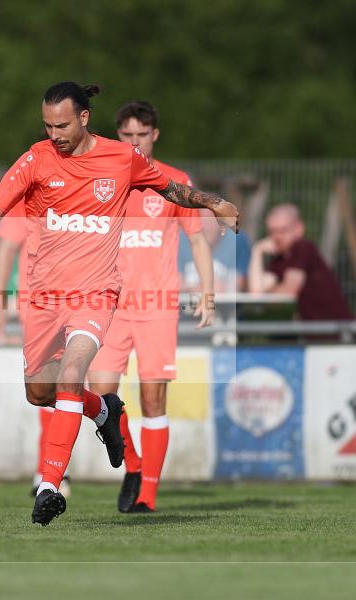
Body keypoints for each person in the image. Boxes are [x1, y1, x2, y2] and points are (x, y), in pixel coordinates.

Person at [0, 81, 238, 526]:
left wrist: (214, 203)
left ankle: (49, 487)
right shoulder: (37, 158)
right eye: (47, 125)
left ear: (83, 118)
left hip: (96, 293)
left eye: (61, 124)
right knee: (39, 392)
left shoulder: (121, 159)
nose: (54, 133)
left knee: (71, 373)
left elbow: (170, 189)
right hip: (44, 296)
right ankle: (104, 411)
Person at [87, 100, 216, 514]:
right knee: (100, 393)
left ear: (154, 135)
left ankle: (147, 497)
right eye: (126, 135)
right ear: (117, 136)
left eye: (142, 134)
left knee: (153, 400)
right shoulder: (105, 181)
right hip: (110, 305)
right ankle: (136, 465)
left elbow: (197, 239)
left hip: (158, 306)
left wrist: (208, 293)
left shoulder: (174, 182)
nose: (135, 142)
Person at [0, 199, 71, 498]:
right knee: (45, 391)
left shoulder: (84, 186)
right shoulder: (27, 197)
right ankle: (51, 471)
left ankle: (47, 474)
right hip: (38, 308)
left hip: (82, 301)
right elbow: (6, 249)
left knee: (66, 388)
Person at [248, 203, 353, 320]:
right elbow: (256, 293)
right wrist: (257, 251)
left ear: (299, 229)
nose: (277, 237)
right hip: (316, 332)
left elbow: (288, 293)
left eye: (283, 230)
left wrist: (269, 293)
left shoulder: (303, 248)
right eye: (273, 231)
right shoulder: (280, 261)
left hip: (338, 330)